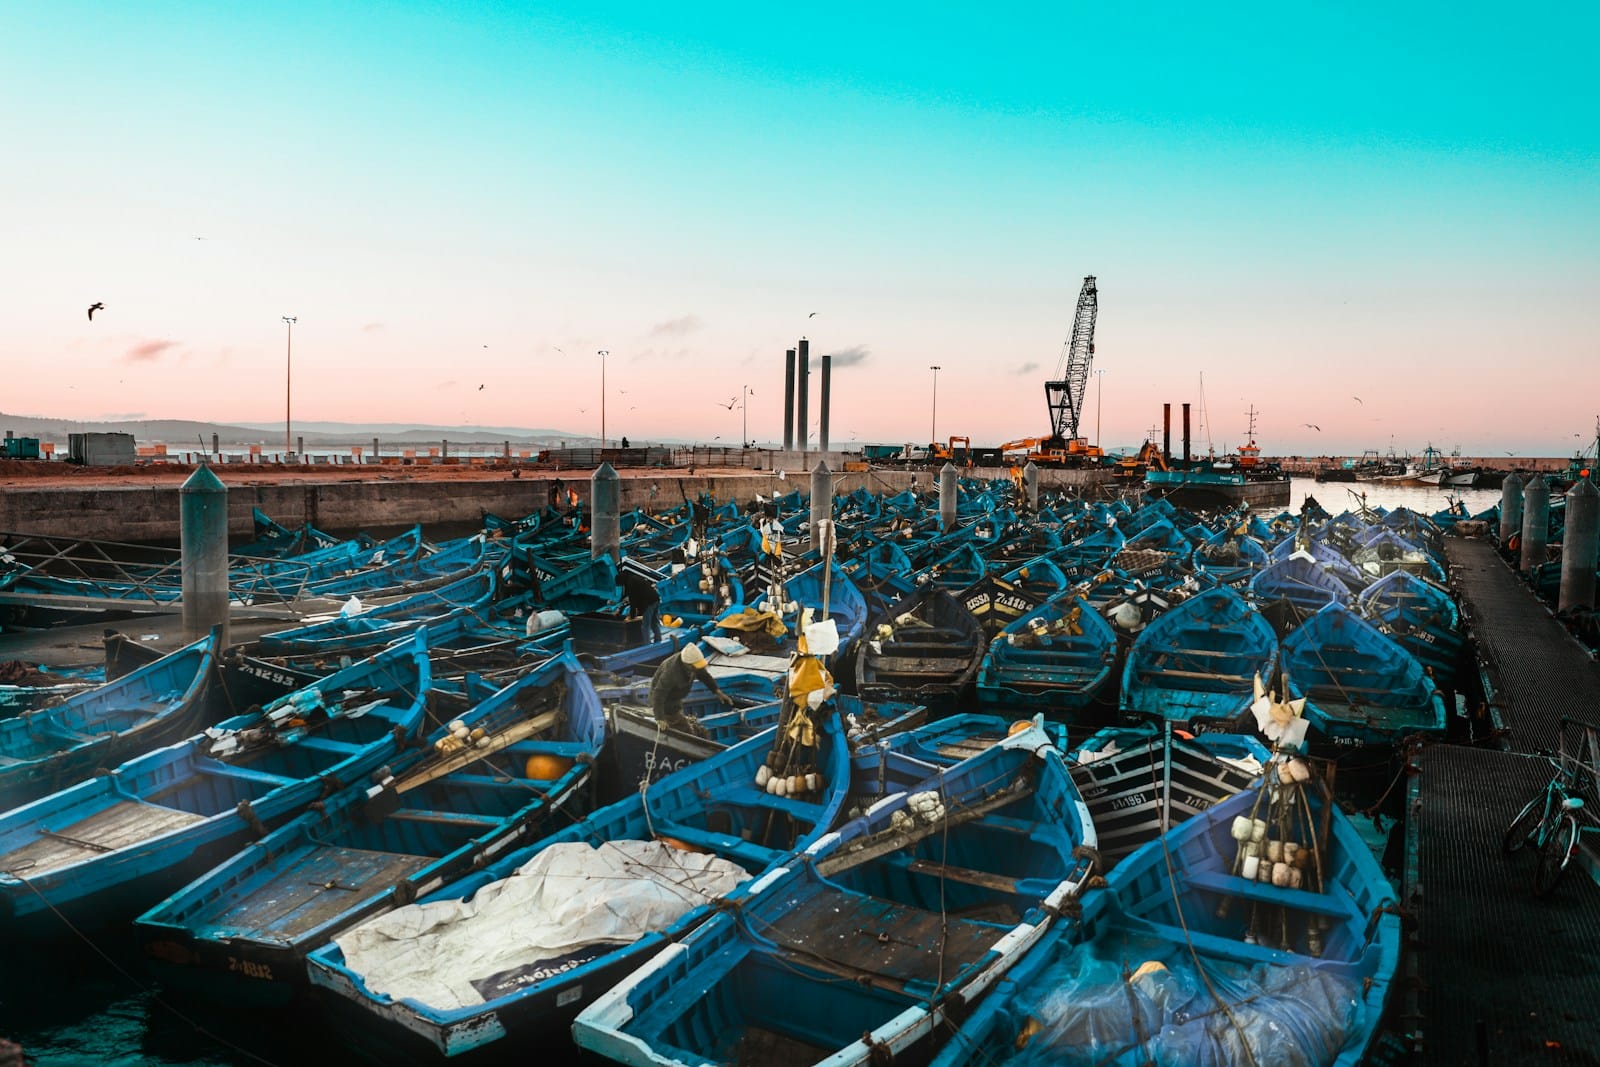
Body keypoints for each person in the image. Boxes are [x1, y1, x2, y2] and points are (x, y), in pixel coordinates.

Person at [650, 643, 733, 734]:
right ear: (687, 665)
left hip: (677, 698)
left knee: (681, 721)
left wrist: (717, 691)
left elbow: (704, 676)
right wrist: (659, 718)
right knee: (682, 728)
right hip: (665, 701)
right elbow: (658, 695)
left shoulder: (693, 665)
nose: (698, 668)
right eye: (696, 666)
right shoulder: (670, 673)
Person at [618, 568, 663, 643]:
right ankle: (658, 641)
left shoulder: (630, 583)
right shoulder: (634, 578)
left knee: (645, 626)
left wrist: (632, 616)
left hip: (648, 602)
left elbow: (633, 600)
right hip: (656, 599)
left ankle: (647, 645)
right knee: (655, 622)